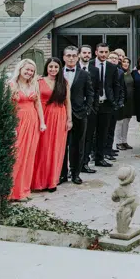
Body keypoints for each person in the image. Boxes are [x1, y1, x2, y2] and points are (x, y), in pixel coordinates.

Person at [9, 59, 46, 201]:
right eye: (27, 69)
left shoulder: (34, 84)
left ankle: (24, 190)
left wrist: (42, 122)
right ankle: (13, 192)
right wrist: (11, 126)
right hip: (19, 122)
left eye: (32, 70)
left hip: (33, 122)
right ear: (20, 68)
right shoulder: (11, 85)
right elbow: (8, 107)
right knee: (17, 156)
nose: (29, 72)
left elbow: (38, 105)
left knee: (29, 157)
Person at [32, 58, 70, 193]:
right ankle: (39, 182)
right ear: (46, 68)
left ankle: (52, 181)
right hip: (43, 116)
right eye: (50, 67)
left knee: (56, 149)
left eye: (56, 67)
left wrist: (69, 120)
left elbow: (67, 102)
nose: (53, 69)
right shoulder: (38, 81)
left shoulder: (63, 83)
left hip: (60, 116)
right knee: (42, 148)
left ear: (59, 68)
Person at [59, 46, 94, 185]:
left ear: (78, 57)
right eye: (68, 55)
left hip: (80, 114)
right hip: (61, 115)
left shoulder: (84, 74)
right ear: (64, 57)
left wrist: (86, 109)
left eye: (74, 55)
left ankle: (75, 174)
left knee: (78, 146)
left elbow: (90, 93)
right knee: (62, 146)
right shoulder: (58, 73)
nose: (71, 58)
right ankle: (62, 174)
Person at [89, 43, 123, 168]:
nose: (103, 54)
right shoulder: (90, 65)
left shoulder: (112, 67)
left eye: (105, 52)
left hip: (106, 103)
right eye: (101, 52)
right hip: (92, 104)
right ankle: (88, 157)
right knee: (90, 132)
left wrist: (114, 101)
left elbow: (116, 85)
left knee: (103, 132)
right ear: (96, 52)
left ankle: (100, 157)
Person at [115, 57, 134, 151]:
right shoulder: (119, 73)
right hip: (121, 100)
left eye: (128, 62)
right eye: (124, 62)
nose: (126, 64)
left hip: (130, 101)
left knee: (127, 121)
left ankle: (124, 141)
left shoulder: (130, 74)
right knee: (120, 122)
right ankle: (118, 142)